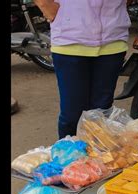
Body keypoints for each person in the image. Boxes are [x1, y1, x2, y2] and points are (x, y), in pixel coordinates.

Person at [34, 0, 131, 139]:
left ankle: (97, 159)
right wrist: (45, 5)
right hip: (70, 41)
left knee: (101, 114)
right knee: (72, 115)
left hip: (113, 40)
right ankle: (68, 158)